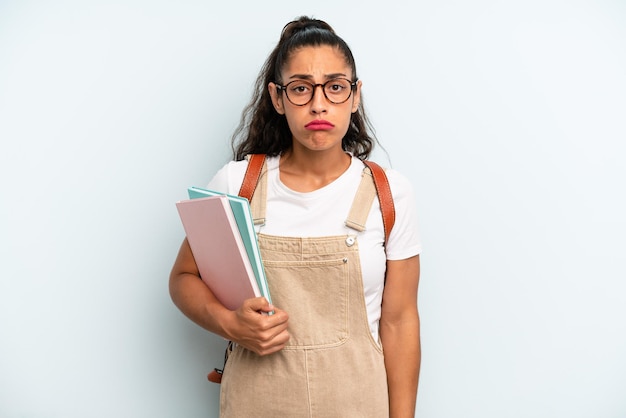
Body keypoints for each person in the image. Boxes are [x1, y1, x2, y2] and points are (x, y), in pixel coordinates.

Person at [170, 16, 422, 418]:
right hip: (258, 402)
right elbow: (183, 279)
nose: (318, 104)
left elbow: (400, 321)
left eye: (335, 87)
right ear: (278, 97)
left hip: (359, 403)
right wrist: (230, 324)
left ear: (355, 96)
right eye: (301, 88)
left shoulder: (388, 193)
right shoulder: (238, 183)